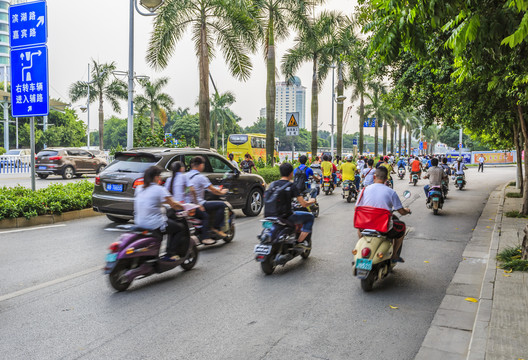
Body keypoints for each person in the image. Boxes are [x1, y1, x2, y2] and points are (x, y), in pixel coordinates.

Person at [355, 167, 411, 262]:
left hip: (364, 225)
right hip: (383, 226)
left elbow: (356, 208)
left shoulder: (364, 190)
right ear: (386, 179)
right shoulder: (391, 192)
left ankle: (363, 243)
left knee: (359, 229)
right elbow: (401, 211)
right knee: (402, 227)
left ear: (374, 177)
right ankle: (394, 255)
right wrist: (407, 210)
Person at [134, 166, 186, 261]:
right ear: (155, 177)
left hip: (139, 222)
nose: (160, 178)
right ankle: (170, 254)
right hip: (153, 223)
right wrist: (185, 207)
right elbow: (173, 204)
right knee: (179, 228)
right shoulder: (159, 189)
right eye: (159, 176)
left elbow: (152, 201)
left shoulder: (139, 188)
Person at [266, 162, 316, 249]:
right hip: (285, 217)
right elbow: (303, 204)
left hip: (269, 216)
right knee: (310, 217)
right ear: (291, 173)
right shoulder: (291, 186)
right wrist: (311, 201)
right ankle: (300, 242)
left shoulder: (272, 184)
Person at [187, 156, 229, 245]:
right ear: (201, 165)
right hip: (196, 204)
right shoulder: (200, 177)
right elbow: (213, 190)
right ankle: (215, 228)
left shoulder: (185, 176)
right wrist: (222, 192)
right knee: (222, 205)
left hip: (185, 205)